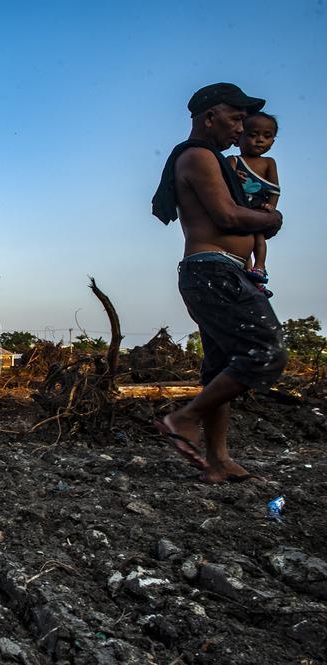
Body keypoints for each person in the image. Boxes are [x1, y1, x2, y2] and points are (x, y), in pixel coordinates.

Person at [150, 82, 287, 484]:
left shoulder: (215, 159)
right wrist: (271, 220)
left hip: (219, 270)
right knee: (268, 352)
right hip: (214, 271)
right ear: (210, 117)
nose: (241, 128)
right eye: (236, 118)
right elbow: (227, 217)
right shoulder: (199, 156)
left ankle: (217, 460)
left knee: (221, 368)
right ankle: (183, 417)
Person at [228, 111, 281, 297]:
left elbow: (274, 189)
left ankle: (260, 267)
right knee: (245, 241)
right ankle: (249, 274)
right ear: (238, 137)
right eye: (252, 135)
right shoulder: (233, 160)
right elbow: (225, 179)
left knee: (258, 238)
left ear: (273, 141)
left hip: (258, 209)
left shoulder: (269, 163)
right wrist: (233, 175)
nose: (259, 140)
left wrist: (271, 207)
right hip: (240, 209)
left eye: (266, 136)